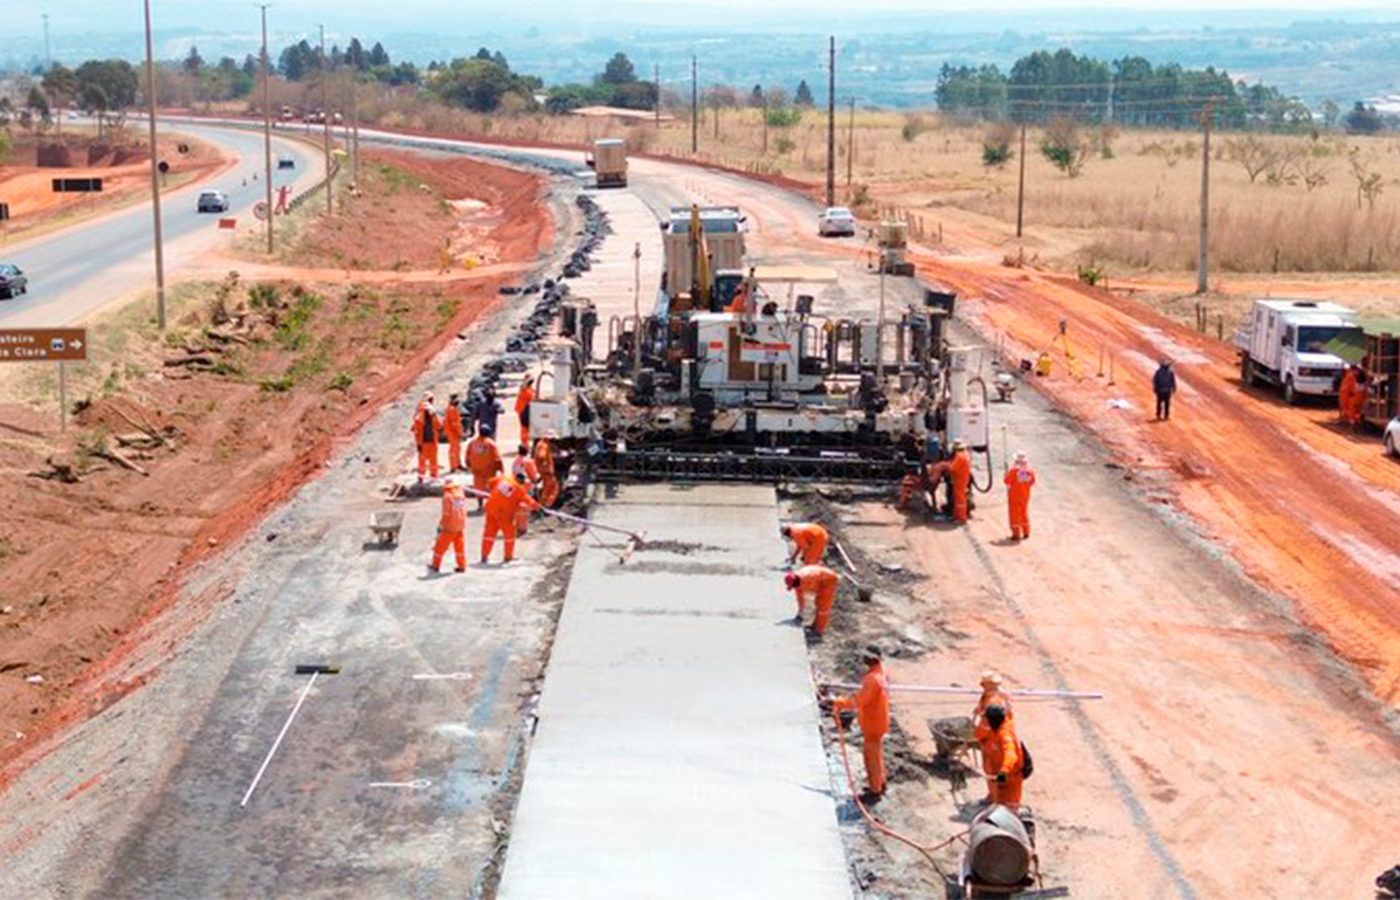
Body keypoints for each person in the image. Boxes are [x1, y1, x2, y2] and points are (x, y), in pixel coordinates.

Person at [832, 645, 891, 804]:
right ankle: (880, 783)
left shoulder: (872, 679)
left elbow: (859, 701)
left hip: (872, 722)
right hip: (879, 719)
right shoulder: (881, 671)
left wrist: (838, 703)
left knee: (871, 757)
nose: (862, 659)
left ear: (870, 659)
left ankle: (875, 791)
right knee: (876, 755)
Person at [481, 473, 540, 564]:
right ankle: (508, 557)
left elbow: (489, 483)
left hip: (491, 508)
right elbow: (528, 499)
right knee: (509, 535)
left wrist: (495, 494)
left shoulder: (503, 478)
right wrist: (538, 507)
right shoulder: (519, 489)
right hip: (504, 513)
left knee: (489, 533)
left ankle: (484, 556)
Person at [976, 704, 1023, 810]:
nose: (985, 721)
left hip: (1010, 778)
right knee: (999, 804)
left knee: (1010, 807)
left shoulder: (1005, 735)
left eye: (986, 719)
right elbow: (979, 736)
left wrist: (1004, 771)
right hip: (999, 775)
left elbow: (1011, 755)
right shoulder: (994, 730)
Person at [785, 565, 839, 637]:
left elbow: (812, 589)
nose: (794, 588)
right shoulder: (797, 582)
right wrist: (800, 613)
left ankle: (819, 631)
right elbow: (800, 598)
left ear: (796, 582)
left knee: (823, 607)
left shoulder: (809, 577)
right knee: (817, 603)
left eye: (793, 586)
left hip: (828, 581)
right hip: (820, 582)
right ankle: (814, 625)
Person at [429, 475, 469, 573]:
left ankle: (435, 566)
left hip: (450, 526)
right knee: (459, 546)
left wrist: (441, 526)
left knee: (440, 546)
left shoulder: (447, 497)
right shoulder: (461, 494)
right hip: (460, 523)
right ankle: (462, 565)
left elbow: (446, 514)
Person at [927, 439, 973, 523]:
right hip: (961, 478)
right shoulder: (964, 454)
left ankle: (961, 518)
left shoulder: (959, 457)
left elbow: (952, 468)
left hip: (960, 479)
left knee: (960, 499)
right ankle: (956, 515)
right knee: (957, 498)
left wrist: (944, 465)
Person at [465, 424, 503, 509]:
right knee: (491, 487)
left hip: (477, 470)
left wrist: (469, 465)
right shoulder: (491, 444)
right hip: (489, 470)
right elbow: (497, 459)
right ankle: (491, 504)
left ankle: (480, 504)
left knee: (478, 487)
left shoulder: (473, 443)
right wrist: (501, 470)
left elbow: (467, 455)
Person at [1003, 452, 1036, 541]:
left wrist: (1006, 474)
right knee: (1023, 513)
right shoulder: (1030, 471)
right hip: (1025, 495)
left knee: (1014, 514)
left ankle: (1016, 534)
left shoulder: (1014, 471)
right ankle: (1026, 532)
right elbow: (1032, 482)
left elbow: (1006, 481)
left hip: (1015, 496)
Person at [411, 393, 442, 482]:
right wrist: (418, 444)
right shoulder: (420, 415)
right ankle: (422, 476)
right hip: (424, 442)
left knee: (431, 460)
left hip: (430, 440)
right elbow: (417, 430)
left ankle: (433, 476)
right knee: (425, 460)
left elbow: (439, 425)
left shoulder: (430, 414)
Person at [512, 445, 541, 535]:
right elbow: (533, 475)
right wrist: (536, 481)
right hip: (528, 488)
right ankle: (523, 528)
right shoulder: (528, 461)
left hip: (516, 487)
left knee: (518, 506)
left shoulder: (516, 461)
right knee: (526, 507)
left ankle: (517, 526)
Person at [534, 438, 559, 508]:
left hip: (542, 470)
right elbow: (542, 456)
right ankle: (547, 505)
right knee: (554, 488)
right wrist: (547, 467)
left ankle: (542, 503)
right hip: (547, 471)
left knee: (546, 487)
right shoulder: (544, 446)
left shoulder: (540, 444)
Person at [444, 393, 465, 472]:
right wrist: (460, 433)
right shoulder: (452, 409)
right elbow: (454, 424)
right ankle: (453, 466)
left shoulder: (452, 408)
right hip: (453, 432)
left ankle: (457, 464)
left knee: (457, 449)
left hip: (453, 432)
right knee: (454, 449)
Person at [516, 376, 536, 447]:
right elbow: (534, 397)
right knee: (524, 429)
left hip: (523, 410)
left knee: (525, 428)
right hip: (523, 411)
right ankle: (524, 444)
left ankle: (525, 443)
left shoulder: (527, 389)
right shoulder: (526, 391)